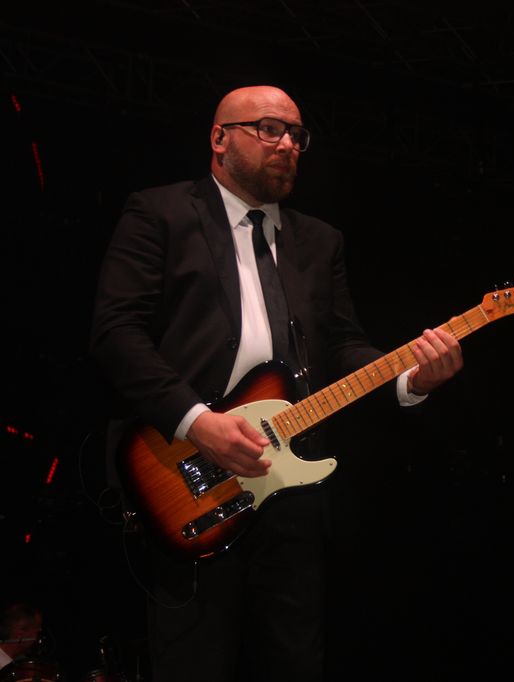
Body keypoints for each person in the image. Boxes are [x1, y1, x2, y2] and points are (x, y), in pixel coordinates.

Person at [89, 85, 463, 682]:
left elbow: (343, 345)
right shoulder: (161, 214)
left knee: (295, 659)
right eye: (269, 128)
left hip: (290, 485)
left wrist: (409, 379)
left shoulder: (319, 240)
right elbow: (116, 334)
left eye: (296, 134)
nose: (287, 144)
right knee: (194, 662)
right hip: (189, 476)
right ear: (219, 138)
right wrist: (197, 423)